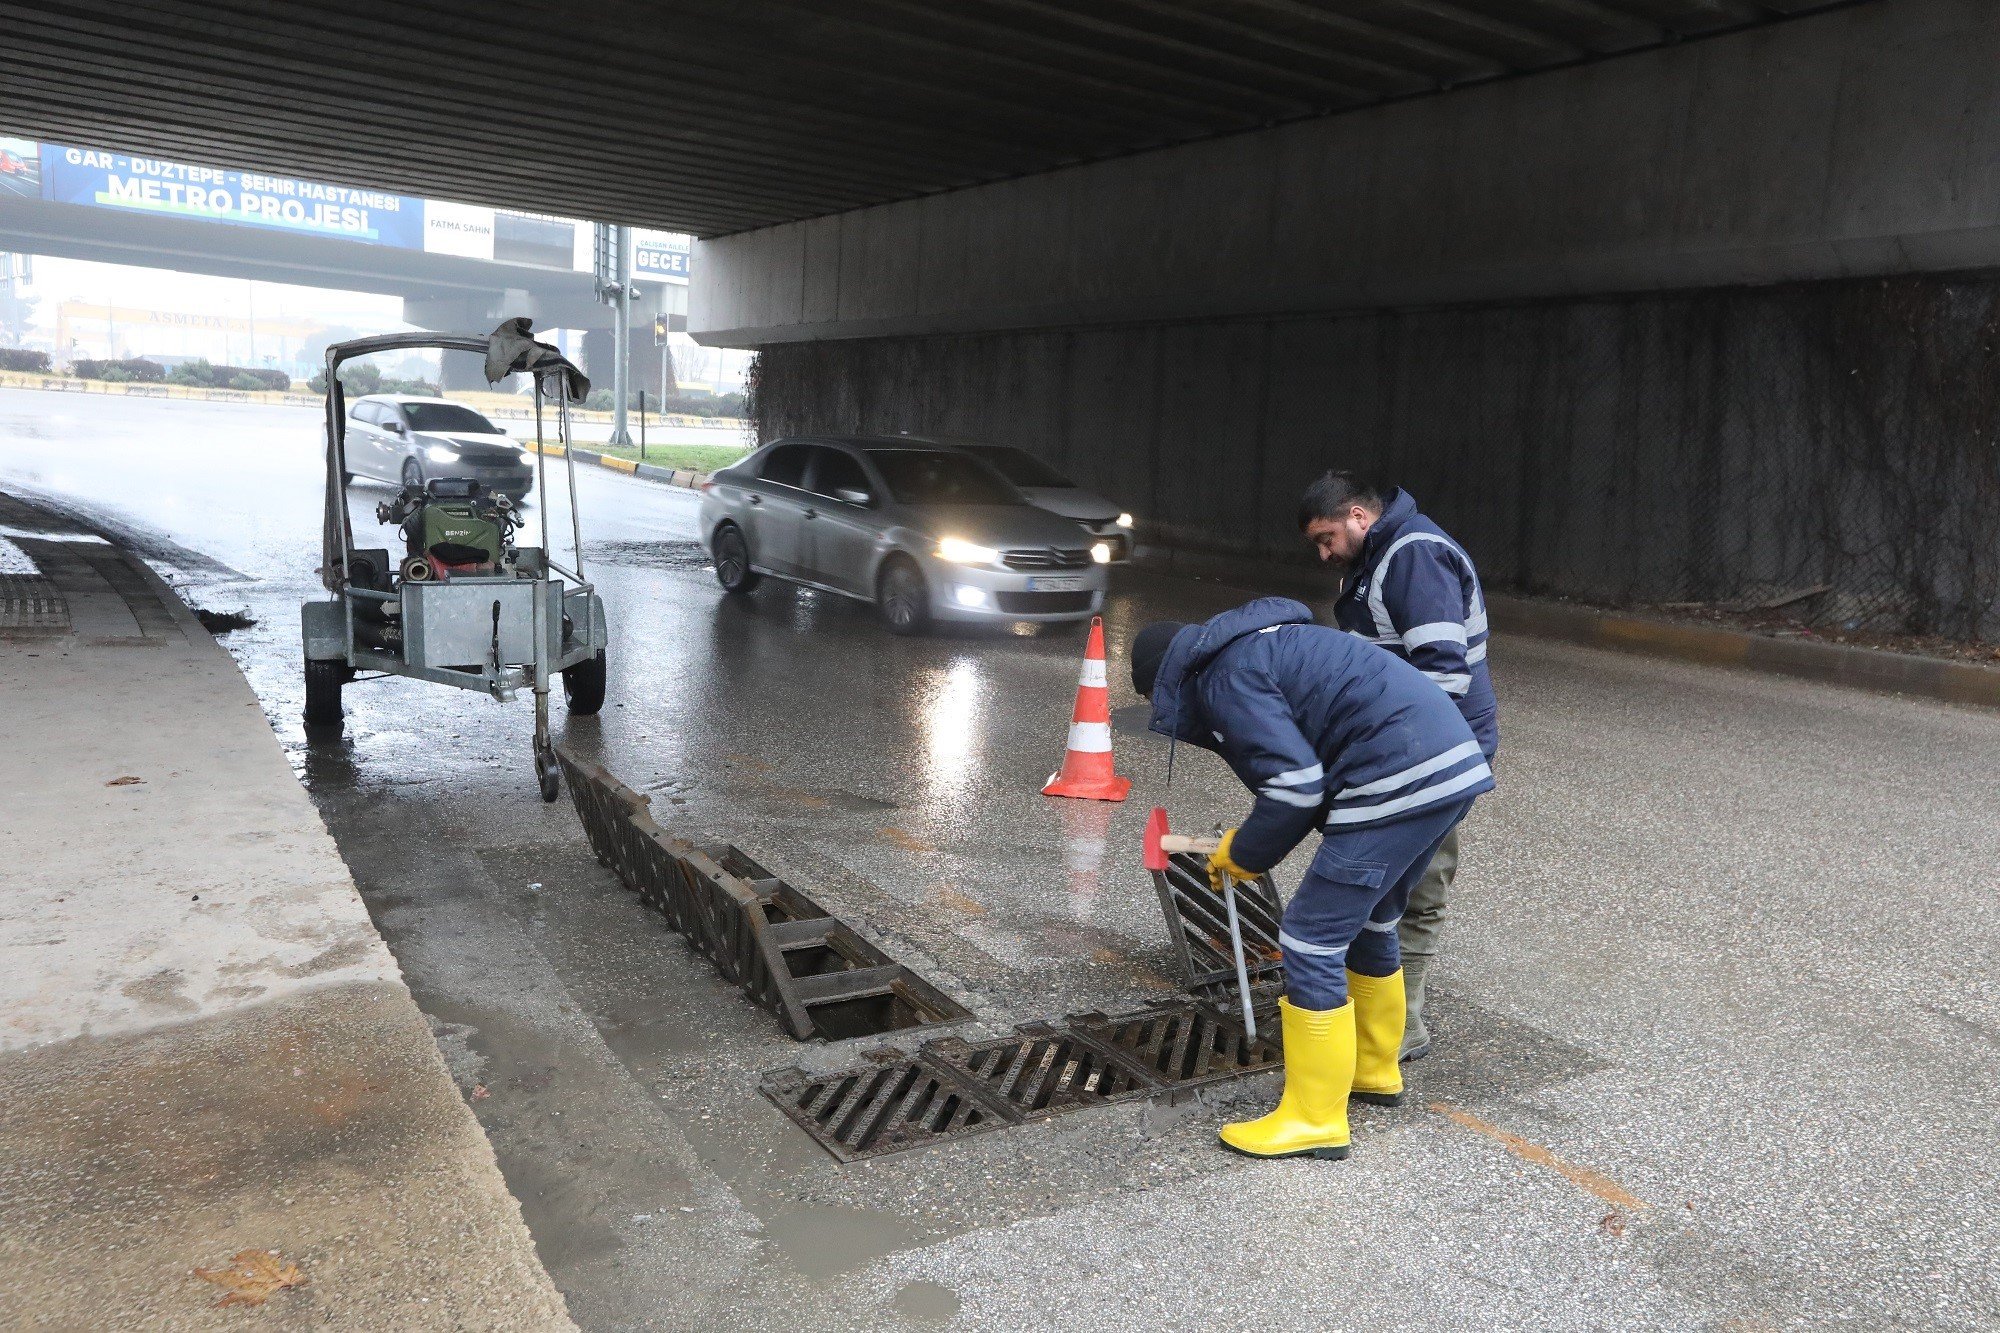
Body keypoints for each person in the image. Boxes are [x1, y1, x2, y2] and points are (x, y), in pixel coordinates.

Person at [1131, 598, 1492, 1160]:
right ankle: (1373, 1069)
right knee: (1375, 920)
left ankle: (1314, 1118)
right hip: (1449, 767)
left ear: (1168, 682)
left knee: (1309, 938)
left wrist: (1245, 852)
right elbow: (1311, 768)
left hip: (1394, 777)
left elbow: (1295, 788)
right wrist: (1256, 843)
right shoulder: (1260, 648)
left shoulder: (1227, 678)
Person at [1297, 472, 1497, 1061]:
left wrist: (1397, 762)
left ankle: (1399, 1029)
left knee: (1415, 885)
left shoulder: (1413, 557)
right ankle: (1379, 1017)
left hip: (1435, 753)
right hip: (1413, 750)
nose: (1324, 553)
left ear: (1359, 516)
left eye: (1328, 537)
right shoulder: (1376, 559)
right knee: (1392, 883)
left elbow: (1443, 676)